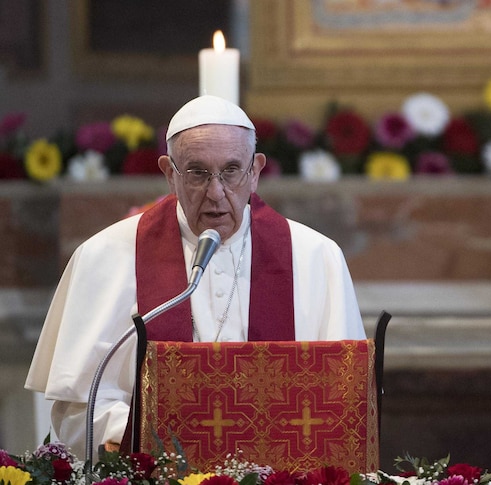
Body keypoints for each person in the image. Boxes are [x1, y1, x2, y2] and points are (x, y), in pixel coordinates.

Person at [24, 95, 366, 459]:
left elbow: (342, 403)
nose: (216, 192)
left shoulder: (315, 257)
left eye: (231, 170)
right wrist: (160, 442)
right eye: (197, 173)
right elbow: (80, 406)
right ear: (170, 173)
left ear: (255, 172)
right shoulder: (103, 257)